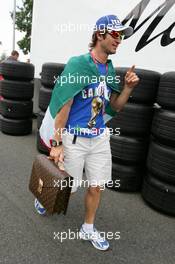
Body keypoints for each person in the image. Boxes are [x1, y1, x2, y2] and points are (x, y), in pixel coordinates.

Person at [39, 14, 139, 251]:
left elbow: (115, 107)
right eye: (115, 34)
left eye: (122, 35)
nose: (119, 39)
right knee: (68, 190)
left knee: (96, 186)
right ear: (99, 34)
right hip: (73, 138)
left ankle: (88, 227)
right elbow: (65, 105)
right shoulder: (79, 64)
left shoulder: (109, 69)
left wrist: (127, 88)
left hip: (100, 138)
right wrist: (57, 142)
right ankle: (43, 196)